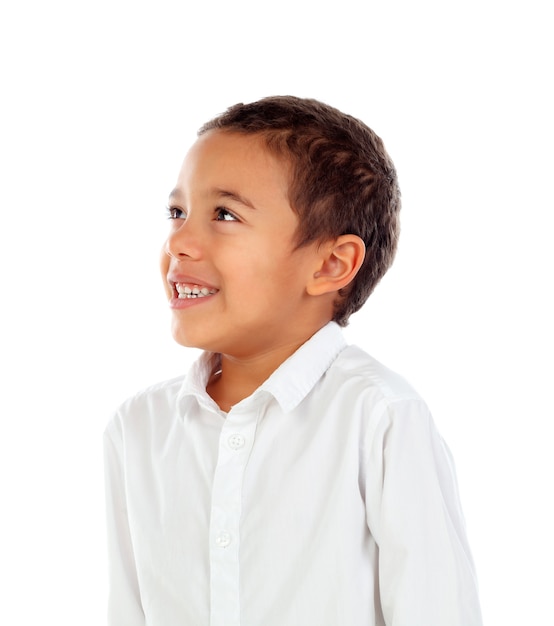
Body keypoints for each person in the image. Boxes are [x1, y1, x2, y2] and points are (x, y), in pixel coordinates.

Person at [104, 96, 483, 625]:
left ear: (330, 263)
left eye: (224, 214)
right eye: (177, 212)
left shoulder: (379, 417)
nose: (180, 242)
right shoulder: (138, 428)